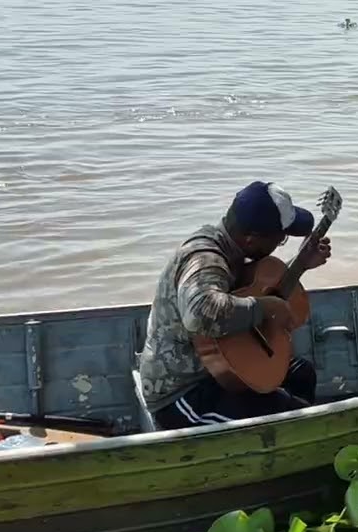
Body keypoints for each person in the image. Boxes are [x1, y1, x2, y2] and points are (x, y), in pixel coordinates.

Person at [137, 181, 331, 429]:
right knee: (295, 420)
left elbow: (251, 290)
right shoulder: (205, 259)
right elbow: (200, 312)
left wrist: (301, 263)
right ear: (250, 239)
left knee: (301, 373)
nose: (279, 244)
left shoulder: (235, 250)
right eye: (279, 240)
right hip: (184, 392)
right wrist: (266, 308)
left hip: (226, 368)